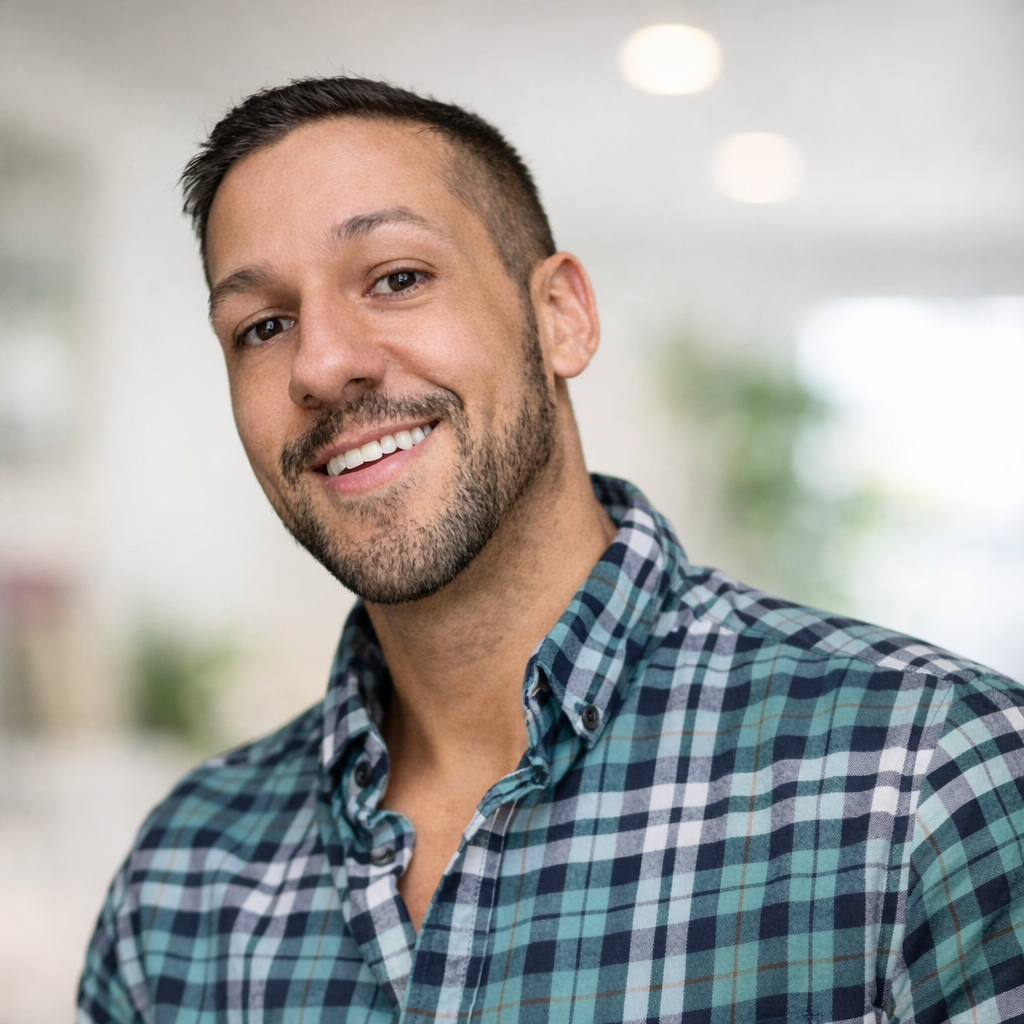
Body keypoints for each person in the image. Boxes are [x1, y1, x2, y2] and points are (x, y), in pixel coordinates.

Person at [78, 76, 1024, 1024]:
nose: (321, 365)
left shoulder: (933, 779)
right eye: (263, 327)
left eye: (398, 278)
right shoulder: (179, 884)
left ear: (561, 315)